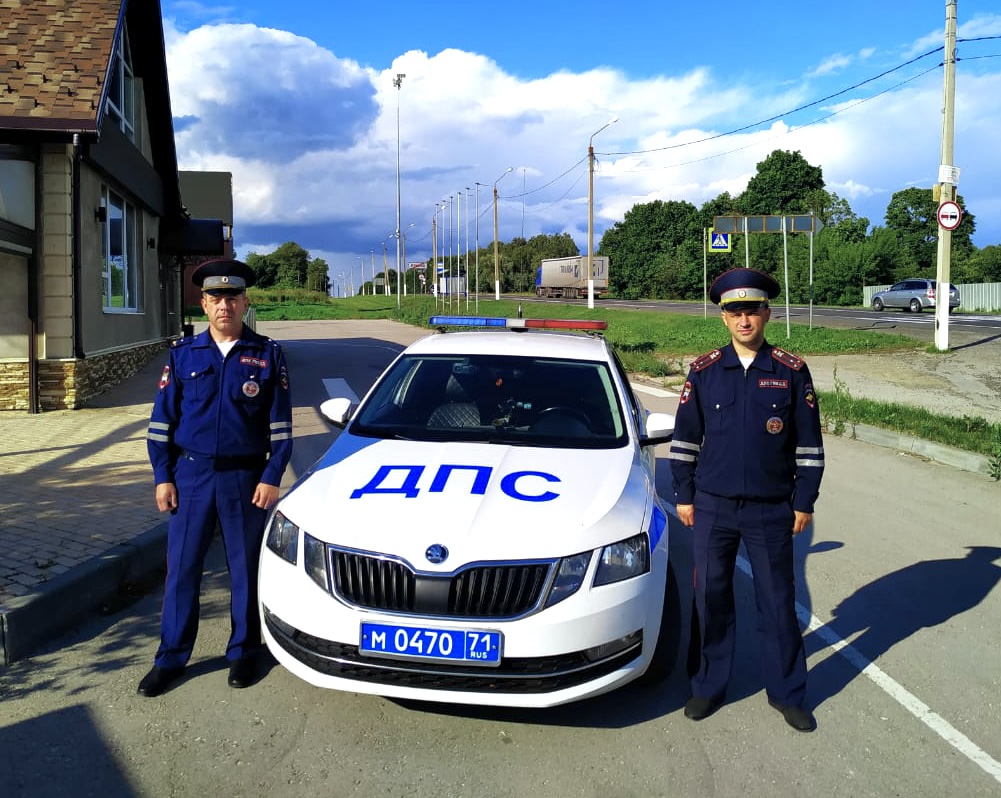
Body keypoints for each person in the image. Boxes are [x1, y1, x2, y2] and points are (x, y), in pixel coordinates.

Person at [668, 267, 825, 732]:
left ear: (767, 313)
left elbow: (810, 445)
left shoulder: (791, 372)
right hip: (713, 505)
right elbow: (684, 441)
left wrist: (804, 500)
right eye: (734, 312)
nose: (743, 320)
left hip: (770, 508)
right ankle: (707, 687)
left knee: (778, 602)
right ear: (723, 318)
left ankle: (788, 693)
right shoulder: (704, 371)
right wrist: (683, 493)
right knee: (710, 599)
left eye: (751, 311)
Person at [139, 258, 293, 697]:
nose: (224, 305)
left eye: (232, 297)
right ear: (203, 304)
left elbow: (280, 427)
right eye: (215, 298)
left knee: (244, 569)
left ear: (245, 303)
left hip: (245, 480)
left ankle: (243, 652)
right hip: (190, 477)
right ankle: (170, 658)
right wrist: (162, 477)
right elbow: (160, 424)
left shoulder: (267, 356)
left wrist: (271, 475)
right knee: (182, 569)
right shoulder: (183, 356)